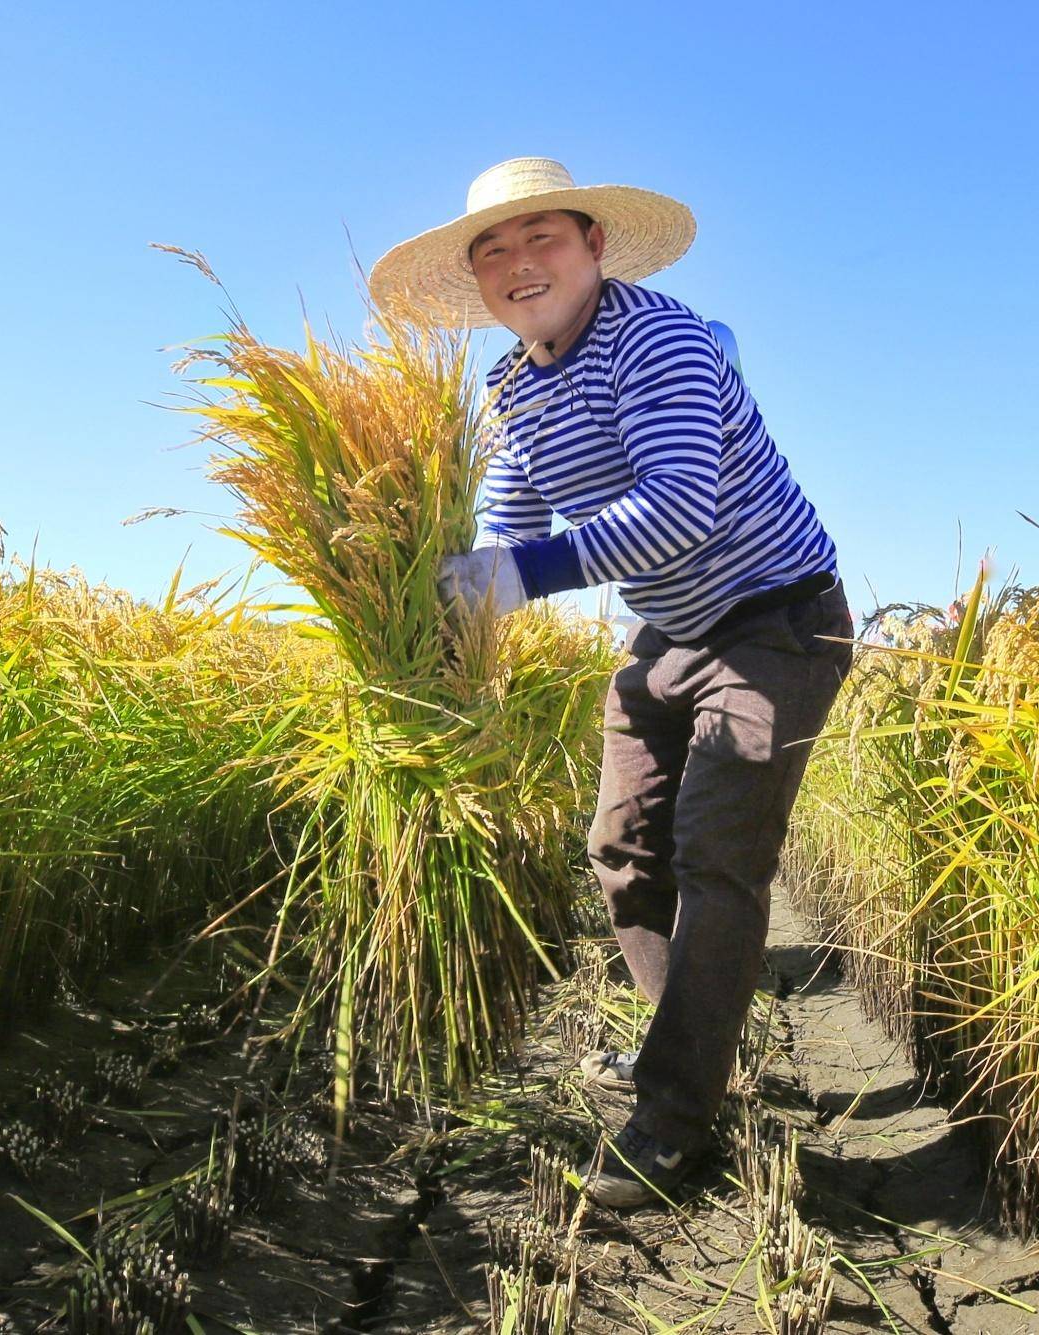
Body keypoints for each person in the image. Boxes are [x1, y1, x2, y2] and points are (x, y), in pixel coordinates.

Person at [368, 157, 854, 1208]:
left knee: (716, 857)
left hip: (776, 619)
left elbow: (676, 507)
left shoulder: (658, 338)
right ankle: (685, 1048)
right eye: (491, 249)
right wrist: (439, 622)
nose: (516, 263)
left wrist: (509, 579)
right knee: (619, 850)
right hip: (667, 631)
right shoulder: (507, 388)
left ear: (593, 245)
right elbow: (508, 528)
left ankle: (673, 1124)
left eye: (540, 236)